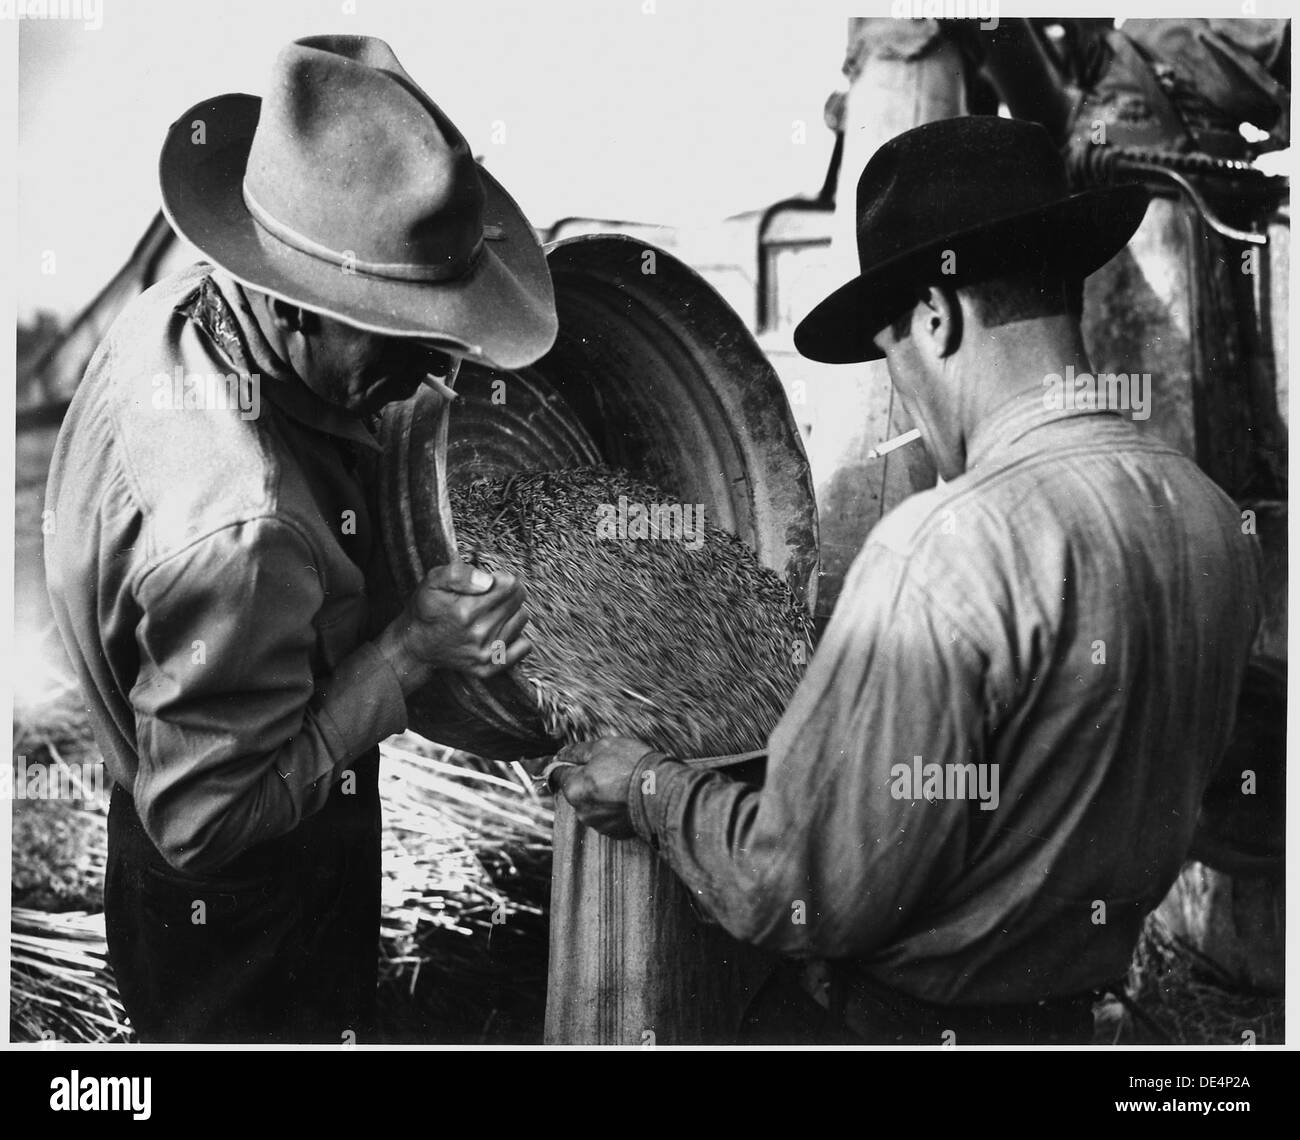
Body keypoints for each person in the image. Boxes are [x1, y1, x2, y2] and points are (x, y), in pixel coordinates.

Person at [554, 116, 1262, 1044]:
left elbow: (795, 891)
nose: (903, 391)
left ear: (938, 315)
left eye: (892, 353)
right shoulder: (1208, 517)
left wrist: (650, 789)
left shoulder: (941, 550)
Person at [43, 34, 555, 1043]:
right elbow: (206, 828)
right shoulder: (242, 531)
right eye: (402, 330)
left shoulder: (181, 308)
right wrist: (406, 651)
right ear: (299, 305)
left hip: (187, 747)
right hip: (241, 895)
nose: (435, 373)